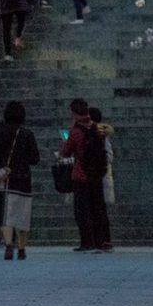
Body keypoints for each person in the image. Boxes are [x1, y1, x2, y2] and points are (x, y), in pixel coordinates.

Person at [0, 101, 40, 261]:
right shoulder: (27, 134)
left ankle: (8, 244)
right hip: (23, 179)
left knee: (6, 213)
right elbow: (35, 159)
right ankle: (22, 248)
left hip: (3, 179)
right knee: (22, 213)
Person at [59, 98, 111, 252]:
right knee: (98, 209)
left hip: (81, 175)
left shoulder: (75, 132)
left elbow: (66, 152)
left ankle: (87, 242)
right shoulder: (97, 128)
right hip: (97, 175)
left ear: (74, 113)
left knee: (83, 211)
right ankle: (103, 241)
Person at [89, 107, 115, 245]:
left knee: (98, 210)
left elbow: (109, 156)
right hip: (97, 175)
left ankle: (102, 239)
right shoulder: (101, 135)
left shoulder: (101, 135)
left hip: (98, 176)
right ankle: (99, 239)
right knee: (97, 210)